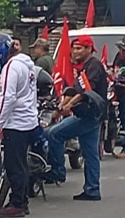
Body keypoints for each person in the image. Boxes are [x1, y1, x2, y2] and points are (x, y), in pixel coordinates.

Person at [46, 35, 107, 201]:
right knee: (90, 154)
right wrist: (61, 105)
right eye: (74, 48)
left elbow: (85, 91)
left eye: (79, 48)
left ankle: (57, 171)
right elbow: (74, 89)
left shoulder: (93, 66)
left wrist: (68, 105)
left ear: (89, 49)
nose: (75, 51)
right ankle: (92, 190)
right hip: (90, 114)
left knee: (54, 134)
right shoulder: (83, 67)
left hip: (89, 115)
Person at [0, 33, 39, 217]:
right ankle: (20, 199)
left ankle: (18, 203)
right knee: (20, 163)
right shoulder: (26, 64)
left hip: (15, 123)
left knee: (13, 164)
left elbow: (8, 98)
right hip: (27, 121)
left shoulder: (11, 66)